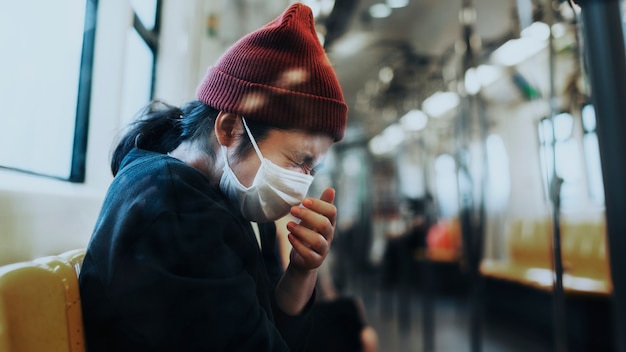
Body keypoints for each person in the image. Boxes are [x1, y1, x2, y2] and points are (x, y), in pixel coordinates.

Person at [78, 3, 348, 351]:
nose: (301, 182)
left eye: (312, 169)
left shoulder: (228, 201)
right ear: (230, 128)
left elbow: (269, 331)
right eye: (298, 160)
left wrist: (301, 271)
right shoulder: (175, 209)